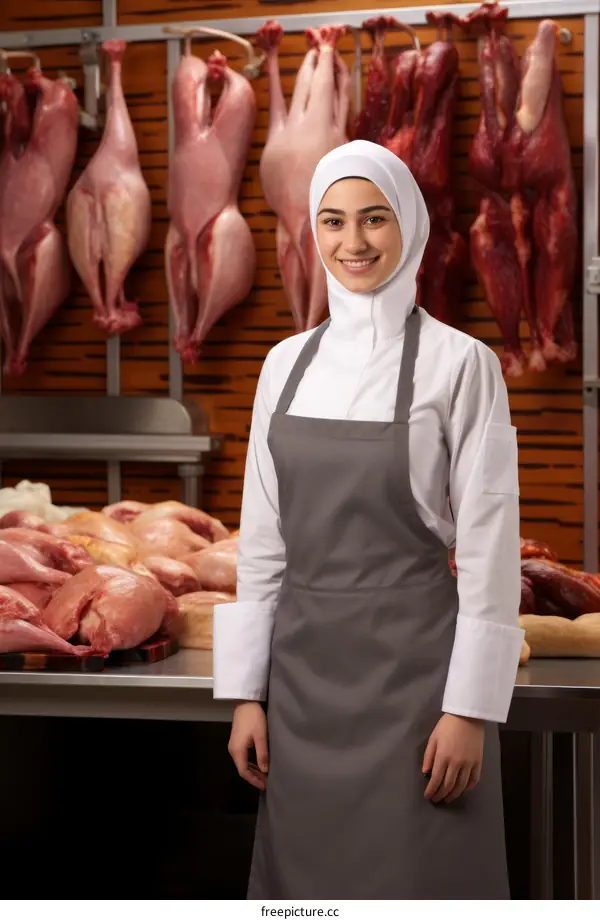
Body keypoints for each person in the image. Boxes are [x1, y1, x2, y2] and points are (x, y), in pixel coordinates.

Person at [212, 140, 524, 899]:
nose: (353, 241)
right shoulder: (284, 365)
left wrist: (469, 711)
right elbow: (265, 543)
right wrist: (247, 696)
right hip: (303, 691)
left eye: (374, 218)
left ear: (409, 224)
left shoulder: (462, 364)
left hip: (417, 689)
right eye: (333, 221)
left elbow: (490, 549)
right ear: (313, 232)